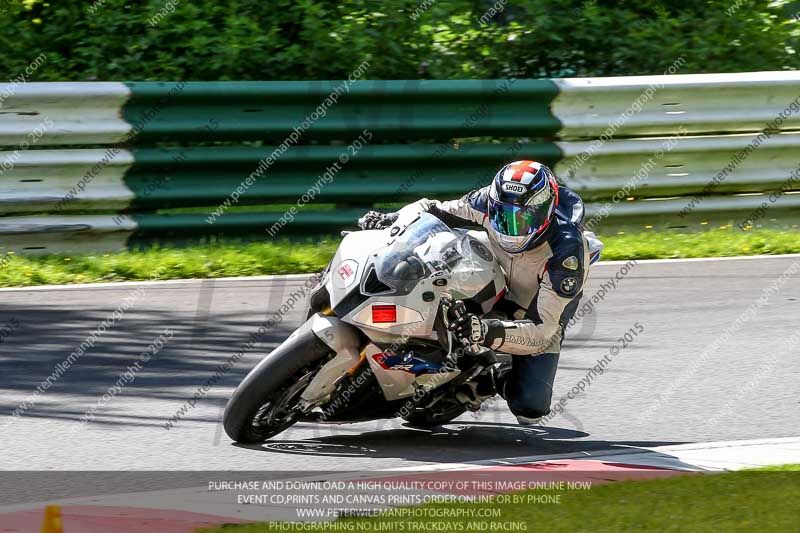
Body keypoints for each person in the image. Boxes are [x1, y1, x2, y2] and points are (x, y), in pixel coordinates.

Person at [358, 160, 603, 424]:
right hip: (492, 272)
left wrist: (484, 331)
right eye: (503, 216)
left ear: (546, 212)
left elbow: (541, 331)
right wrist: (394, 220)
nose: (511, 227)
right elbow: (433, 210)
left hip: (532, 311)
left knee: (530, 407)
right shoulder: (486, 200)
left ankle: (485, 381)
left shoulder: (567, 253)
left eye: (522, 218)